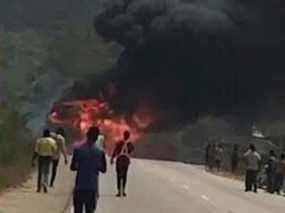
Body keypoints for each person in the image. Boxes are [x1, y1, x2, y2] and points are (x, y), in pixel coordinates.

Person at [71, 126, 106, 213]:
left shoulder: (77, 149)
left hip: (79, 186)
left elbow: (72, 167)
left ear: (87, 135)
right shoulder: (100, 152)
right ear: (97, 137)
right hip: (92, 187)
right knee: (90, 210)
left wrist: (81, 166)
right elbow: (103, 169)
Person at [32, 129, 57, 193]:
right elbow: (54, 150)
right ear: (49, 134)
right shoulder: (52, 141)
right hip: (48, 157)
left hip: (41, 157)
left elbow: (36, 151)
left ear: (43, 134)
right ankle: (45, 184)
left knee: (40, 172)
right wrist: (54, 156)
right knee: (46, 172)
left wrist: (33, 160)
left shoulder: (39, 141)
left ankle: (39, 187)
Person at [111, 130, 134, 197]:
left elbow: (115, 150)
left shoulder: (120, 142)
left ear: (123, 135)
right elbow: (131, 150)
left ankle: (119, 190)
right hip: (126, 161)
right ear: (129, 136)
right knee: (124, 175)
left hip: (119, 160)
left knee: (118, 175)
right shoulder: (130, 144)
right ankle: (123, 190)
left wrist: (112, 158)